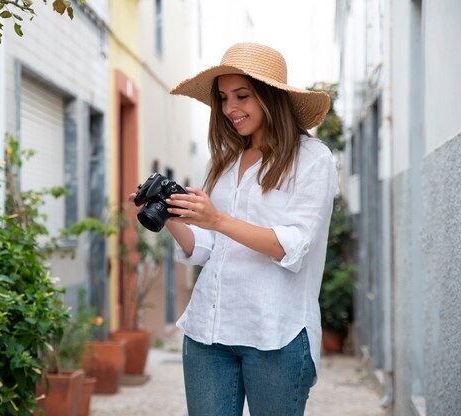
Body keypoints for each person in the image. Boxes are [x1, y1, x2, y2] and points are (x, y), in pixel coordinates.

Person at [131, 42, 337, 416]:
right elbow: (206, 248)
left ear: (271, 96)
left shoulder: (312, 159)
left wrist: (217, 220)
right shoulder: (225, 163)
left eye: (242, 96)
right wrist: (174, 216)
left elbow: (291, 245)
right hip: (209, 334)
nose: (229, 109)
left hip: (276, 333)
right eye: (223, 98)